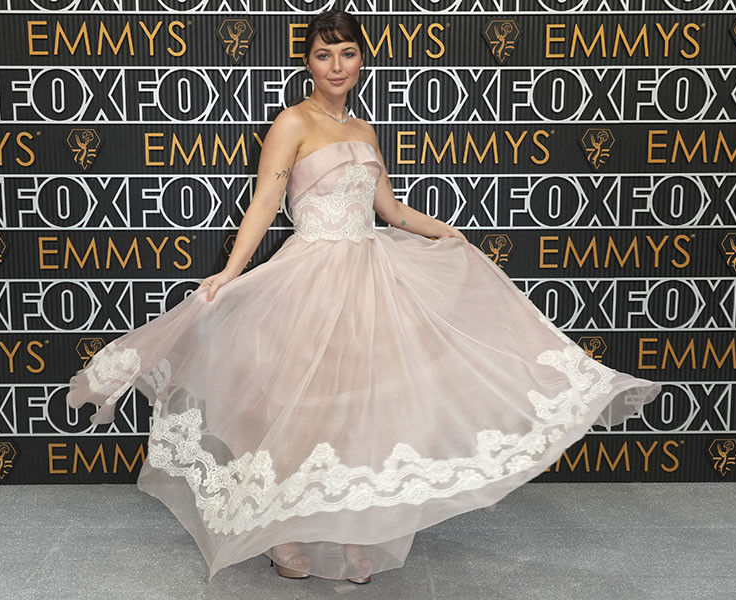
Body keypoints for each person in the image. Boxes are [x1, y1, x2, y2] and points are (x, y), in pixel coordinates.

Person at [65, 9, 661, 586]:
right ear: (306, 61)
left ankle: (356, 536)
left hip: (373, 278)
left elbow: (390, 210)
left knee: (361, 411)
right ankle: (286, 540)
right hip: (312, 279)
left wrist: (446, 233)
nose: (336, 64)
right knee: (300, 409)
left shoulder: (363, 129)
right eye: (324, 54)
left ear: (361, 60)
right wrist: (230, 271)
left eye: (347, 53)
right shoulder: (292, 124)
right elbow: (265, 204)